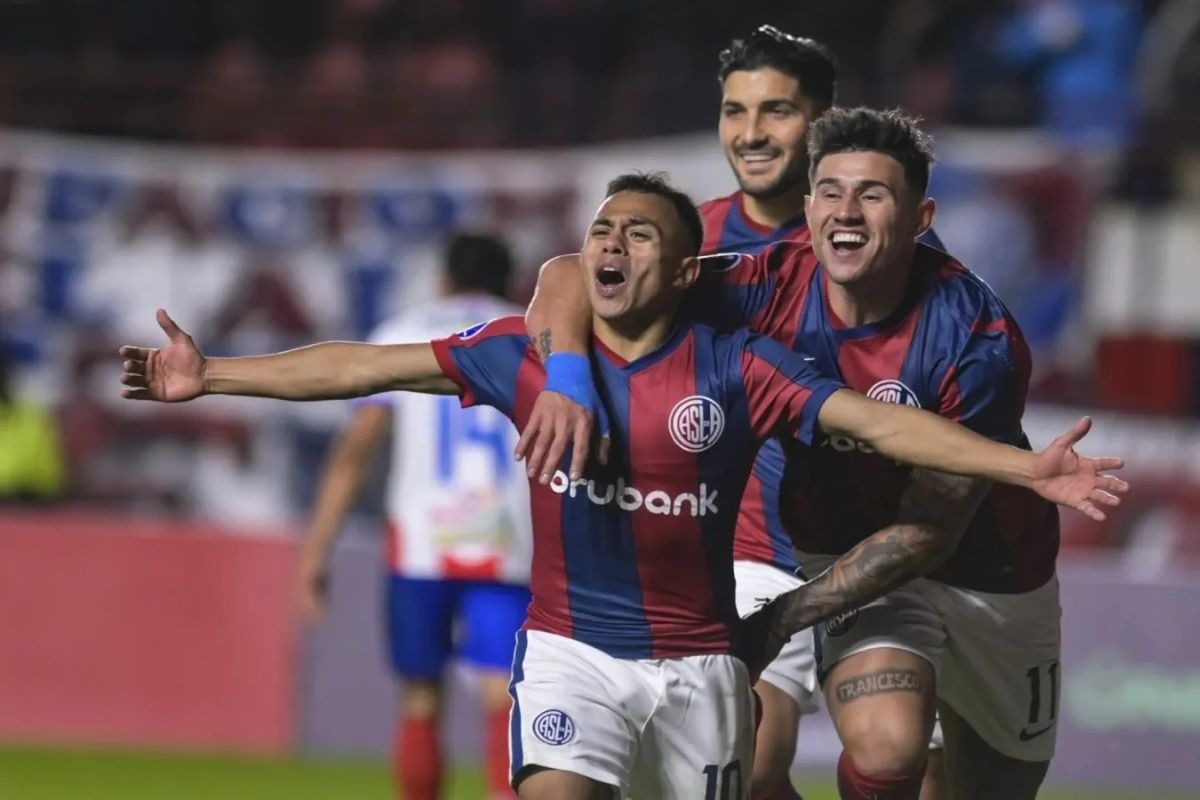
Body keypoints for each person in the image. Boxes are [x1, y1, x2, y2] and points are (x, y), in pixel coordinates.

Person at [119, 173, 1124, 800]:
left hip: (699, 672)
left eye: (640, 233)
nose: (612, 244)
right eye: (604, 229)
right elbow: (362, 366)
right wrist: (214, 375)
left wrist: (1016, 462)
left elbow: (878, 420)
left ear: (688, 268)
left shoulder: (738, 369)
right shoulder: (525, 359)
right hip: (572, 655)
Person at [521, 109, 1100, 799]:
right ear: (807, 207)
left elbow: (928, 532)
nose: (845, 211)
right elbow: (567, 275)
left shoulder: (978, 337)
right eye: (830, 191)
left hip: (992, 570)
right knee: (883, 747)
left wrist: (783, 620)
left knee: (994, 787)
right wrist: (565, 381)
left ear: (921, 217)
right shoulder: (763, 284)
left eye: (873, 194)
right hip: (847, 552)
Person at [524, 25, 950, 800]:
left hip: (869, 542)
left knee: (899, 754)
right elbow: (566, 275)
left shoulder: (884, 241)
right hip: (747, 546)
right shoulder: (692, 239)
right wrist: (566, 374)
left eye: (777, 112)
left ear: (823, 125)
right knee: (751, 763)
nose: (751, 133)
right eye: (734, 111)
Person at [296, 232, 531, 800]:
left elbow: (356, 451)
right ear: (510, 281)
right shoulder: (533, 333)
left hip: (422, 544)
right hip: (509, 544)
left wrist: (315, 552)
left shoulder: (405, 331)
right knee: (504, 695)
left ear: (444, 280)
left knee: (420, 696)